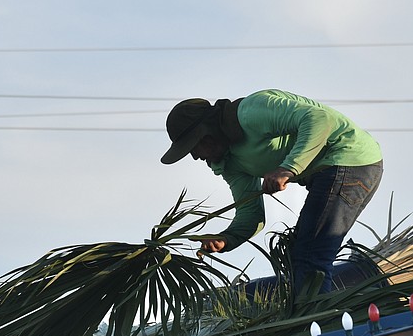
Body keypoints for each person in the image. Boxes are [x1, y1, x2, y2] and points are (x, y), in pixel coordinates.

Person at [160, 89, 383, 294]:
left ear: (206, 133)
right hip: (330, 174)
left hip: (348, 159)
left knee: (310, 257)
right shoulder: (229, 163)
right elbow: (251, 214)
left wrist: (288, 168)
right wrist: (226, 239)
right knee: (301, 255)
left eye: (193, 148)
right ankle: (323, 311)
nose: (196, 157)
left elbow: (319, 119)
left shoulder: (251, 112)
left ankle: (317, 322)